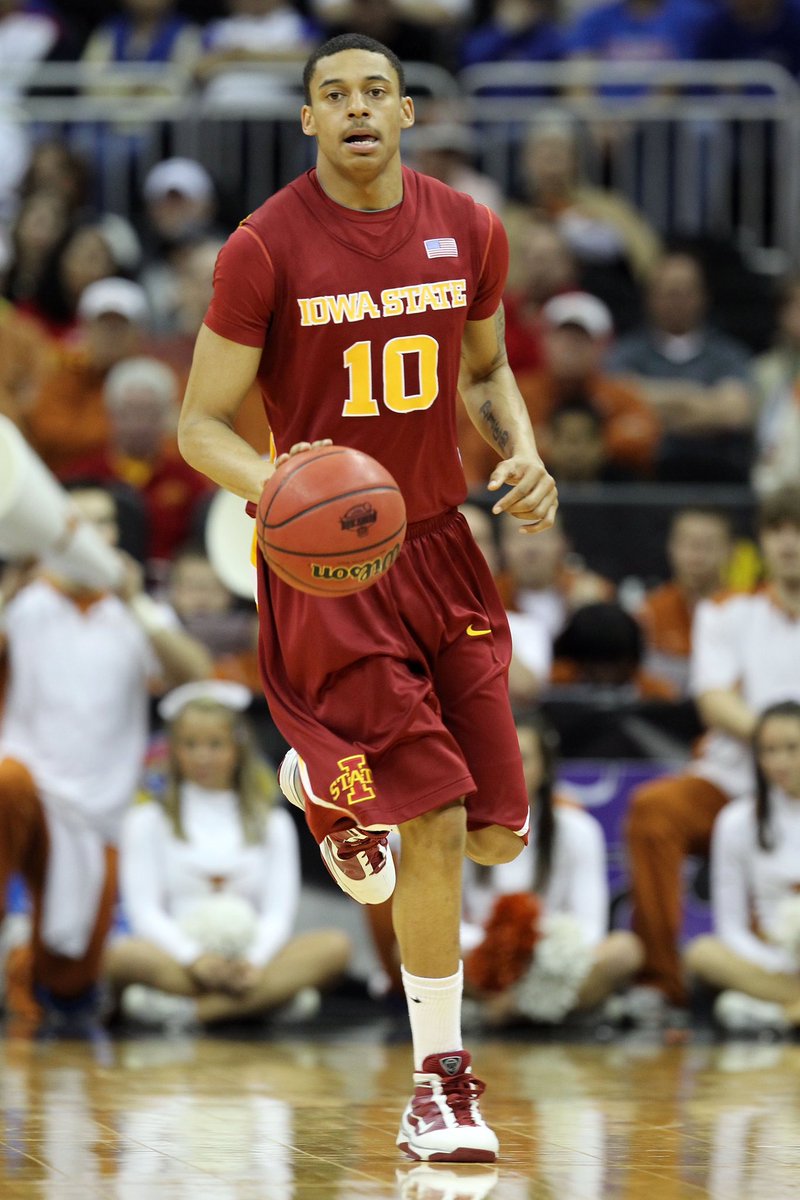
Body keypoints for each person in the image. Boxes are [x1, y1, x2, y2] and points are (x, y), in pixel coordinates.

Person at [177, 33, 557, 1164]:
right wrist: (280, 481)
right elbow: (201, 425)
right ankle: (438, 1085)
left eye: (375, 92)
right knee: (432, 819)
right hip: (325, 565)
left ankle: (317, 780)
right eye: (332, 95)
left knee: (492, 836)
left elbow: (483, 372)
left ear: (404, 113)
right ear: (305, 121)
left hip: (441, 543)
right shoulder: (262, 248)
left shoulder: (469, 227)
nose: (355, 109)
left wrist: (523, 452)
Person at [0, 483, 212, 1030]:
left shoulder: (137, 609)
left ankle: (35, 977)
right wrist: (10, 587)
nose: (95, 534)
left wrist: (136, 602)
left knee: (70, 979)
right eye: (81, 521)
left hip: (100, 811)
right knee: (6, 782)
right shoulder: (26, 597)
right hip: (28, 791)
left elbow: (196, 674)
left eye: (106, 523)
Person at [626, 486, 800, 1015]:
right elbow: (714, 699)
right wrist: (782, 745)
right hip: (734, 780)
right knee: (654, 813)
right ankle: (662, 982)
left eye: (798, 529)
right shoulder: (728, 611)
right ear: (760, 543)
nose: (789, 542)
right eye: (776, 530)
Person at [106, 681, 351, 1027]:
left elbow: (278, 915)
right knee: (121, 956)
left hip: (251, 960)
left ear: (238, 748)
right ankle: (267, 1002)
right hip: (179, 960)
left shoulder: (273, 822)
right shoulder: (146, 819)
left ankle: (191, 1013)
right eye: (190, 745)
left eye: (215, 744)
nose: (202, 756)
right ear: (174, 750)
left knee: (334, 947)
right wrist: (195, 960)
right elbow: (144, 912)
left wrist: (252, 961)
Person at [464, 712, 643, 1023]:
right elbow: (446, 921)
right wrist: (498, 946)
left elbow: (591, 926)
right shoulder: (460, 828)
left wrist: (537, 949)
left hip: (554, 961)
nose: (511, 770)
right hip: (485, 957)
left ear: (546, 768)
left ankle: (511, 1010)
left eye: (524, 759)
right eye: (500, 758)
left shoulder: (578, 829)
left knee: (624, 950)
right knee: (409, 951)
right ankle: (543, 1011)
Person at [684, 701, 800, 1035]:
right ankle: (787, 1007)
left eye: (792, 748)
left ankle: (777, 1013)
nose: (780, 762)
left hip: (776, 981)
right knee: (703, 954)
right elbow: (731, 927)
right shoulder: (737, 821)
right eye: (769, 750)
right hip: (771, 961)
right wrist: (778, 962)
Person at [607, 250, 755, 482]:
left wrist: (652, 401)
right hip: (642, 478)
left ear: (704, 296)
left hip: (715, 475)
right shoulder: (624, 353)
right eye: (668, 292)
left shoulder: (729, 355)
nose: (676, 301)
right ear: (650, 297)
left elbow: (736, 413)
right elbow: (616, 402)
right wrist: (698, 398)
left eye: (685, 292)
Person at [636, 507, 734, 699]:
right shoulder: (650, 610)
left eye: (708, 545)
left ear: (730, 551)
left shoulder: (745, 610)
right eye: (688, 543)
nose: (697, 555)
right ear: (671, 547)